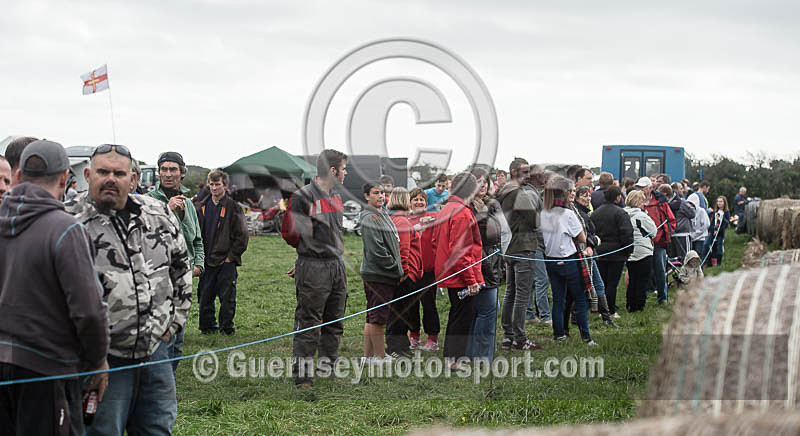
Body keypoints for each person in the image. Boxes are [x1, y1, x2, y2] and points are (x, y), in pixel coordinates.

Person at [66, 143, 192, 435]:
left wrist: (174, 322)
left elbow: (182, 267)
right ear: (88, 174)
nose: (111, 178)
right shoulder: (69, 221)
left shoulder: (157, 214)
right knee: (103, 430)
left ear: (132, 178)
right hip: (101, 361)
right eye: (103, 172)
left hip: (156, 350)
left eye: (119, 173)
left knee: (157, 427)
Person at [0, 140, 109, 435]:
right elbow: (89, 311)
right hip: (46, 372)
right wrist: (98, 361)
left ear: (18, 176)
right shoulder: (65, 230)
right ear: (65, 178)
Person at [281, 149, 348, 389]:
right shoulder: (303, 196)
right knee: (309, 322)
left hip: (336, 266)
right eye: (343, 168)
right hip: (314, 267)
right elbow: (290, 233)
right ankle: (303, 378)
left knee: (335, 320)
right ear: (332, 171)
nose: (346, 172)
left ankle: (328, 369)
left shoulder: (336, 196)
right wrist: (306, 259)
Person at [147, 151, 205, 373]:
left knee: (178, 340)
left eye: (173, 169)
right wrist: (167, 211)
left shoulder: (189, 204)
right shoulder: (149, 201)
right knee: (162, 336)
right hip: (159, 280)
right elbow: (146, 236)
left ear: (182, 173)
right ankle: (159, 383)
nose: (168, 174)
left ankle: (168, 377)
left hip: (185, 280)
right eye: (164, 169)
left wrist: (198, 265)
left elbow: (197, 239)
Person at [433, 172, 483, 367]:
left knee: (457, 314)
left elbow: (437, 242)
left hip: (450, 271)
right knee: (461, 317)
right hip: (459, 274)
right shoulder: (461, 212)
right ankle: (453, 360)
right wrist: (471, 280)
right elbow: (460, 251)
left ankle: (450, 357)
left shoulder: (447, 208)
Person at [540, 176, 596, 345]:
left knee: (558, 299)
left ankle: (559, 335)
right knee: (580, 299)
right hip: (568, 260)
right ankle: (586, 337)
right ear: (563, 193)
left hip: (551, 260)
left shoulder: (544, 212)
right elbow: (582, 238)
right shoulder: (567, 214)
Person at [496, 158, 542, 350]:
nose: (528, 176)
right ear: (514, 172)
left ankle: (508, 336)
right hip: (523, 246)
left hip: (508, 247)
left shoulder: (502, 192)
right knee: (522, 295)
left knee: (511, 292)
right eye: (525, 172)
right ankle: (520, 339)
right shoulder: (519, 193)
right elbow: (535, 221)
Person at [196, 169, 249, 336]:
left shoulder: (234, 208)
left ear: (225, 186)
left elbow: (242, 236)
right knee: (205, 295)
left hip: (226, 260)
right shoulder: (201, 206)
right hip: (206, 260)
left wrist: (230, 257)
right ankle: (207, 327)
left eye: (217, 184)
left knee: (227, 298)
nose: (214, 188)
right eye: (211, 184)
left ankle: (227, 328)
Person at [359, 182, 403, 363]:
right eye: (376, 193)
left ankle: (367, 357)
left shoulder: (382, 213)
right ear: (366, 196)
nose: (381, 196)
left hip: (382, 274)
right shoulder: (370, 217)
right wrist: (394, 266)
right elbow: (376, 250)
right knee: (378, 318)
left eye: (383, 193)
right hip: (379, 274)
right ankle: (379, 356)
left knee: (372, 316)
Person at [466, 168, 503, 361]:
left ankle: (475, 352)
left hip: (491, 258)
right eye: (478, 181)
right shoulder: (469, 207)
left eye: (485, 181)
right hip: (480, 262)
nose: (483, 185)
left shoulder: (488, 205)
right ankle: (481, 355)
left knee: (486, 309)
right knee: (488, 309)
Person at [573, 186, 619, 328]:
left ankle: (605, 317)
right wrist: (593, 242)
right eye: (584, 196)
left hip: (590, 252)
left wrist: (593, 243)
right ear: (576, 198)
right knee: (589, 286)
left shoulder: (586, 213)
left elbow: (590, 235)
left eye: (589, 196)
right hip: (582, 254)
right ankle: (601, 317)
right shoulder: (578, 213)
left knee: (596, 285)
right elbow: (583, 236)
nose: (588, 199)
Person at [385, 187, 422, 358]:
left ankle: (401, 345)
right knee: (400, 312)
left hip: (399, 273)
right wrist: (405, 272)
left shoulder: (392, 219)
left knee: (399, 311)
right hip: (405, 274)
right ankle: (396, 347)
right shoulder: (402, 221)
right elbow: (403, 249)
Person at [590, 185, 633, 318]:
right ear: (618, 197)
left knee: (602, 283)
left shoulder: (595, 213)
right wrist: (628, 250)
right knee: (612, 283)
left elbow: (592, 231)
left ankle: (602, 309)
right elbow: (627, 233)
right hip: (617, 252)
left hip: (600, 251)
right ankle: (611, 310)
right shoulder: (620, 213)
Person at [407, 187, 441, 351]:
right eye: (416, 200)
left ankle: (432, 338)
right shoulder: (406, 220)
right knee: (411, 304)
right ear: (410, 203)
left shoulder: (433, 217)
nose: (419, 202)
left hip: (428, 269)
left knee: (429, 304)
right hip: (412, 269)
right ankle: (414, 335)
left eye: (422, 200)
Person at [638, 177, 676, 305]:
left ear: (650, 188)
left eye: (642, 187)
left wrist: (665, 236)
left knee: (660, 270)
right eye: (639, 187)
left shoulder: (660, 202)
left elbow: (671, 220)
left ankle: (663, 298)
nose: (640, 189)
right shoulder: (636, 201)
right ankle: (641, 298)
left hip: (659, 243)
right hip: (641, 243)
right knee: (642, 271)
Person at [524, 164, 551, 325]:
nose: (544, 176)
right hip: (534, 242)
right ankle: (545, 316)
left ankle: (528, 314)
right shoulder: (530, 192)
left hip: (534, 241)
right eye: (542, 174)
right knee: (542, 279)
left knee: (533, 280)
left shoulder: (532, 192)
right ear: (536, 176)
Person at [623, 190, 656, 312]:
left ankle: (630, 304)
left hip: (629, 252)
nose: (644, 203)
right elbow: (653, 232)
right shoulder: (642, 216)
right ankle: (639, 306)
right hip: (643, 251)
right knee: (642, 280)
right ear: (638, 202)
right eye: (642, 201)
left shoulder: (622, 214)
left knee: (632, 279)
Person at [662, 183, 695, 261]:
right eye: (680, 188)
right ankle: (687, 273)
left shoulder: (665, 203)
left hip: (671, 233)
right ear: (675, 190)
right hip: (683, 233)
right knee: (686, 259)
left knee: (673, 260)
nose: (682, 190)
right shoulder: (682, 202)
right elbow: (692, 214)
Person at [687, 181, 712, 259]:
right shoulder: (700, 196)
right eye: (708, 188)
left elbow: (705, 223)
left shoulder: (700, 209)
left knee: (698, 255)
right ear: (705, 187)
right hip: (695, 233)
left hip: (699, 234)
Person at [705, 196, 731, 267]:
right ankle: (709, 262)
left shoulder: (726, 212)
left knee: (719, 248)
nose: (719, 203)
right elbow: (713, 222)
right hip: (712, 232)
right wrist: (712, 230)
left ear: (724, 203)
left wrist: (722, 218)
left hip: (720, 233)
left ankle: (718, 263)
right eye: (718, 201)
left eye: (721, 202)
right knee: (706, 244)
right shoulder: (715, 211)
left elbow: (727, 224)